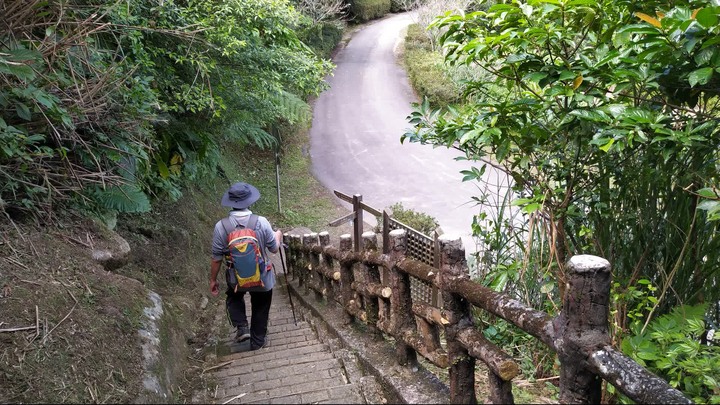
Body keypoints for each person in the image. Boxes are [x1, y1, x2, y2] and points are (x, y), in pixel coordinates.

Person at [209, 182, 283, 350]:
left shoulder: (221, 227)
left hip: (236, 280)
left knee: (233, 296)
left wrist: (213, 280)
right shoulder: (261, 222)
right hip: (262, 277)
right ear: (249, 201)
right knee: (261, 304)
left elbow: (216, 258)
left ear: (231, 202)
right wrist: (278, 235)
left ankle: (242, 327)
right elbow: (274, 248)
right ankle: (257, 342)